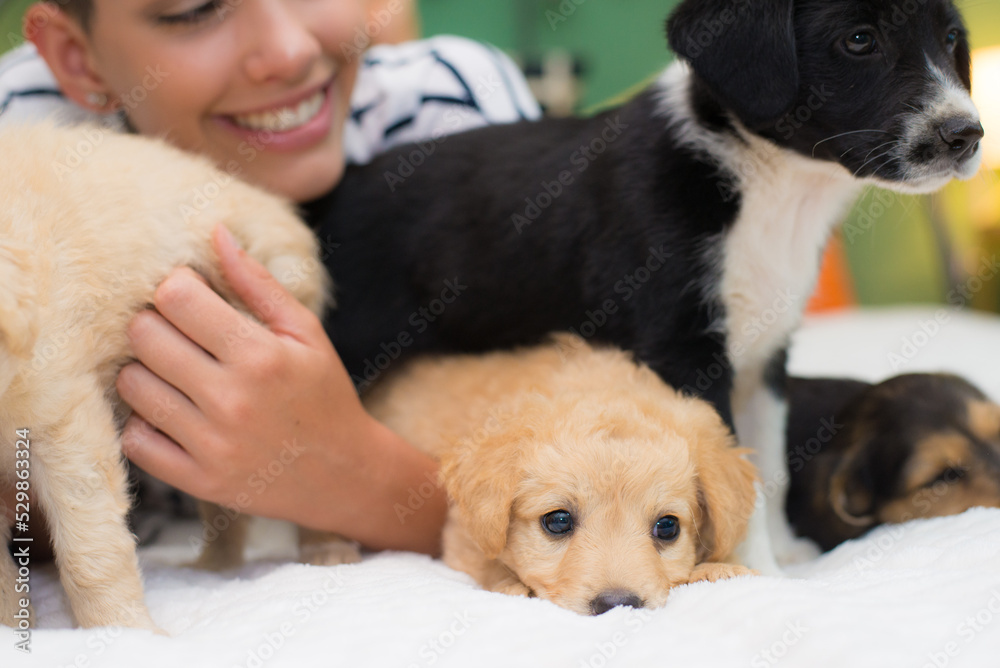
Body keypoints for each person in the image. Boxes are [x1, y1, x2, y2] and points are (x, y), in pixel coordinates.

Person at [0, 0, 540, 555]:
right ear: (78, 59)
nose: (290, 51)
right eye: (195, 10)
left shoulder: (454, 106)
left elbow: (562, 498)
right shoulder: (22, 137)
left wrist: (355, 472)